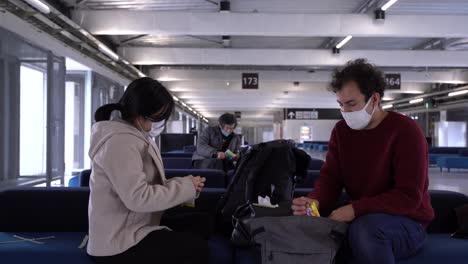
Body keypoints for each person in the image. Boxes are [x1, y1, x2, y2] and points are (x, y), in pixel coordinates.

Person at [292, 59, 434, 264]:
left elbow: (408, 196)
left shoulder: (405, 131)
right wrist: (314, 201)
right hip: (365, 215)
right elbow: (331, 179)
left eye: (352, 104)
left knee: (365, 230)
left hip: (407, 222)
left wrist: (355, 209)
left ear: (374, 99)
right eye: (341, 105)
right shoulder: (341, 132)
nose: (346, 112)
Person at [87, 77, 210, 264]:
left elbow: (146, 186)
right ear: (141, 113)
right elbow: (138, 198)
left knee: (204, 222)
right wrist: (185, 188)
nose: (156, 123)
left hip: (136, 223)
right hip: (118, 241)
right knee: (197, 249)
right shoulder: (120, 142)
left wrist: (187, 187)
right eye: (156, 117)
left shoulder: (132, 136)